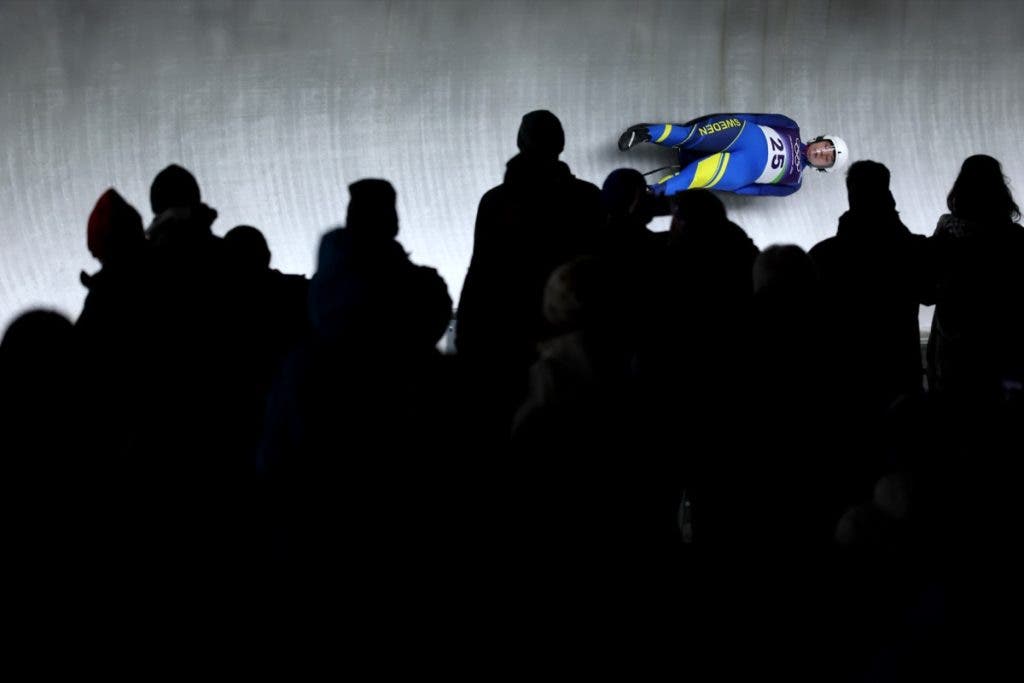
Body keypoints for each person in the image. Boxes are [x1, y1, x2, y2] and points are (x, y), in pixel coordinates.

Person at [617, 113, 848, 196]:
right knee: (693, 135)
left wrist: (736, 188)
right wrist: (730, 119)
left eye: (826, 157)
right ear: (820, 139)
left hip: (742, 170)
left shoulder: (794, 182)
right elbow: (756, 119)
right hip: (741, 133)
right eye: (825, 146)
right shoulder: (790, 126)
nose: (821, 152)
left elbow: (758, 190)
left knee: (694, 177)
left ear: (821, 168)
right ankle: (645, 133)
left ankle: (653, 193)